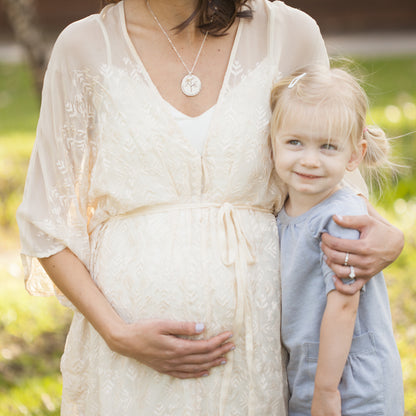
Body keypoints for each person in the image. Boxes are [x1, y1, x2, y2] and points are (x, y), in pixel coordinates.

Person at [16, 0, 403, 414]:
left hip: (258, 354)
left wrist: (389, 237)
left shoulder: (289, 33)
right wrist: (117, 334)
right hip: (128, 368)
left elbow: (335, 174)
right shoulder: (83, 45)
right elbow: (46, 224)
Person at [271, 66, 404, 415]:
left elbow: (344, 306)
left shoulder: (341, 217)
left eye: (328, 146)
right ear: (273, 141)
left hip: (351, 384)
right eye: (294, 142)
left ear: (354, 155)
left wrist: (326, 390)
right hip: (311, 371)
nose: (309, 160)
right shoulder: (283, 212)